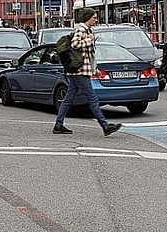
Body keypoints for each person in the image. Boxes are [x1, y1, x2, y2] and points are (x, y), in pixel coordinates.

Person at [52, 8, 122, 137]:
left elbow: (88, 54)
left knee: (68, 98)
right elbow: (75, 44)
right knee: (92, 98)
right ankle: (105, 125)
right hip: (79, 71)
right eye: (94, 17)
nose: (96, 19)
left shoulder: (88, 30)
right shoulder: (81, 30)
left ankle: (58, 124)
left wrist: (93, 69)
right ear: (88, 18)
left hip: (80, 70)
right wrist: (89, 39)